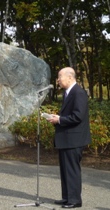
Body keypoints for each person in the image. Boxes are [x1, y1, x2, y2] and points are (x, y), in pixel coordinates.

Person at [47, 67, 91, 209]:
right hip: (66, 138)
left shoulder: (78, 93)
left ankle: (75, 200)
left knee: (71, 170)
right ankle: (67, 197)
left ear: (70, 77)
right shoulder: (68, 93)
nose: (58, 80)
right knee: (65, 169)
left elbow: (78, 116)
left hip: (74, 139)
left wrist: (59, 120)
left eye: (60, 77)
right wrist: (57, 118)